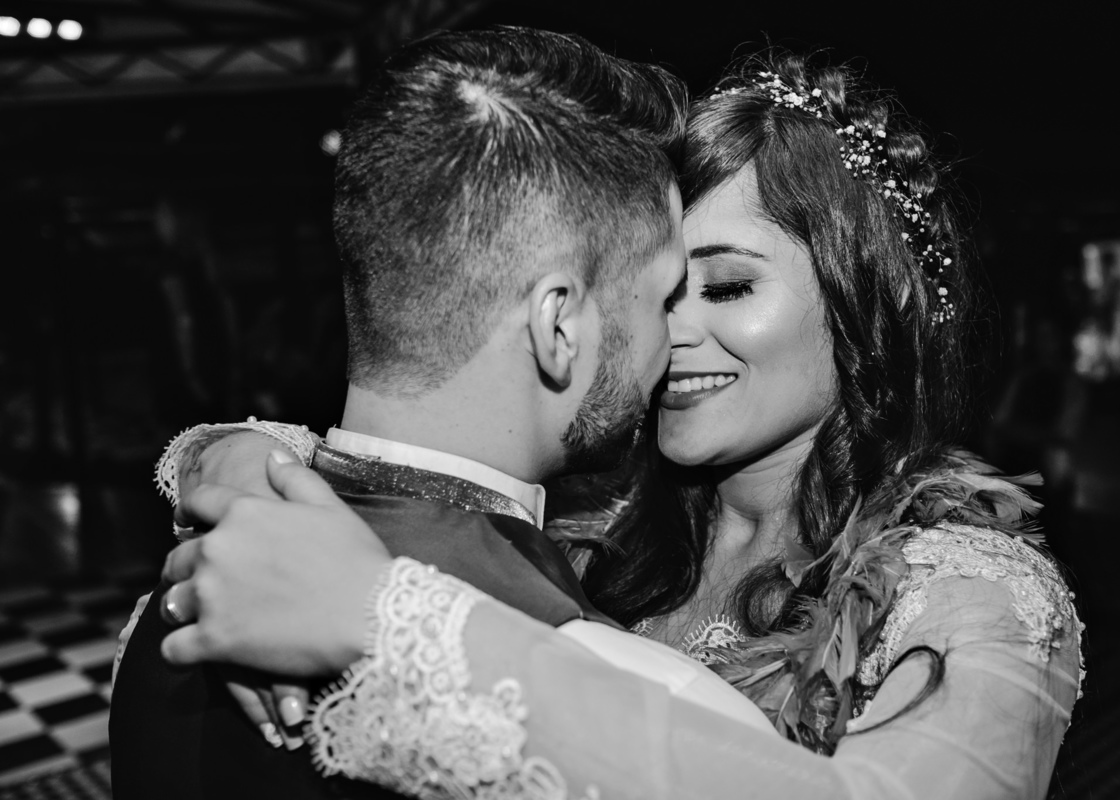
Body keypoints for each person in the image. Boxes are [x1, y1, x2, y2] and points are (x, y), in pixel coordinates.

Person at [152, 50, 1083, 799]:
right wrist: (233, 459)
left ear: (863, 306)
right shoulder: (603, 506)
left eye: (724, 285)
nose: (667, 334)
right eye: (657, 287)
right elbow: (423, 471)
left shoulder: (968, 585)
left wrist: (390, 627)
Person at [109, 26, 776, 800]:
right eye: (663, 296)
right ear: (559, 326)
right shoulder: (639, 707)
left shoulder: (167, 611)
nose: (675, 341)